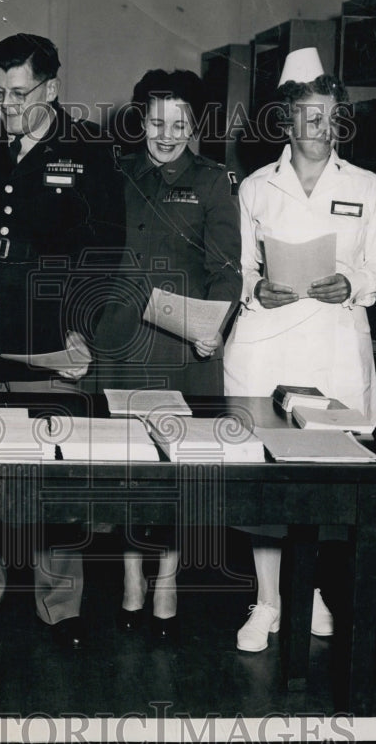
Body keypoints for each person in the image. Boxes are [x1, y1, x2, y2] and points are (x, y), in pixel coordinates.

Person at [0, 32, 123, 648]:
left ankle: (60, 605)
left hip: (47, 336)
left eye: (20, 94)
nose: (7, 107)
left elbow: (105, 251)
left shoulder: (89, 151)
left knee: (56, 473)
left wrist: (80, 326)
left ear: (52, 88)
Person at [223, 48, 376, 652]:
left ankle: (312, 590)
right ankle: (268, 600)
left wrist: (353, 283)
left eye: (331, 116)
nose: (322, 128)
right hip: (266, 346)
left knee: (326, 475)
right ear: (287, 122)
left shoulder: (367, 186)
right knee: (265, 478)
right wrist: (256, 289)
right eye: (310, 116)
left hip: (332, 344)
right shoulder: (255, 188)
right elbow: (237, 268)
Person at [90, 69, 241, 637]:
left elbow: (226, 269)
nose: (167, 135)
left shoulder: (212, 181)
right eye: (156, 122)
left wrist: (216, 325)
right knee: (128, 466)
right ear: (140, 121)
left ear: (194, 125)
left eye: (180, 124)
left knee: (178, 468)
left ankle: (168, 578)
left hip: (183, 344)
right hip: (120, 339)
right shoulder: (115, 173)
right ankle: (132, 575)